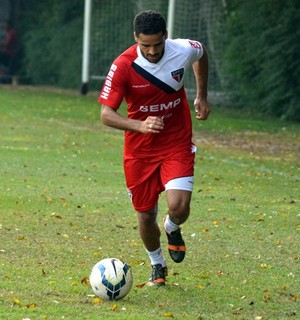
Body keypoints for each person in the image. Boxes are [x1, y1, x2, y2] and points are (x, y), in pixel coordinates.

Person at [99, 10, 210, 286]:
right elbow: (106, 114)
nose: (151, 51)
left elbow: (202, 54)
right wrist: (140, 125)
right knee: (146, 214)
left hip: (176, 141)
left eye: (156, 45)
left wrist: (202, 96)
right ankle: (157, 265)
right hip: (140, 151)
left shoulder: (182, 50)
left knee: (179, 207)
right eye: (144, 45)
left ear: (165, 37)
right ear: (135, 38)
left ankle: (172, 228)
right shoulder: (124, 65)